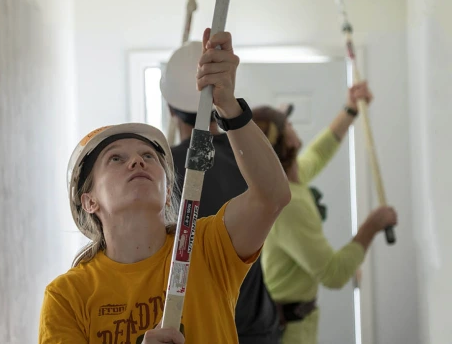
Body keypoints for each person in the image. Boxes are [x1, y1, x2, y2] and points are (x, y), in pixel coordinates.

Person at [38, 28, 291, 344]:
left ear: (168, 187)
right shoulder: (67, 296)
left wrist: (228, 105)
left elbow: (272, 197)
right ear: (89, 201)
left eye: (147, 156)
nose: (137, 162)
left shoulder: (208, 250)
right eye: (116, 159)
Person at [253, 83, 398, 344]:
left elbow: (317, 154)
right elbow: (334, 274)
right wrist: (371, 226)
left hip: (297, 321)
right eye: (288, 125)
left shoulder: (288, 182)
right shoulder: (288, 204)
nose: (293, 127)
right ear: (286, 141)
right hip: (289, 332)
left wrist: (350, 111)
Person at [159, 40, 282, 344]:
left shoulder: (159, 169)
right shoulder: (250, 160)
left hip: (195, 328)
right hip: (254, 326)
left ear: (171, 107)